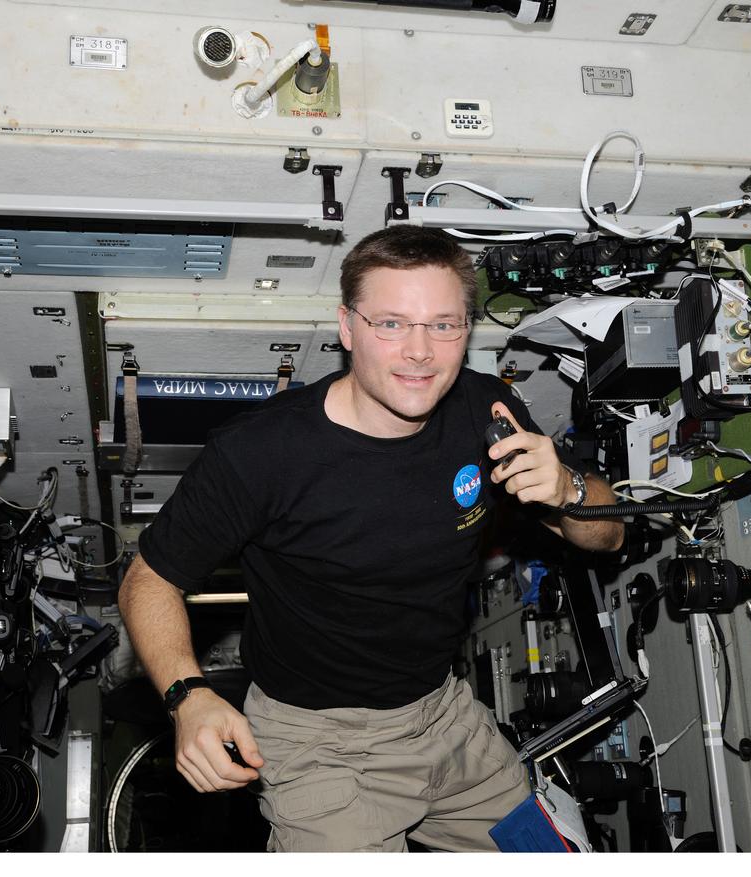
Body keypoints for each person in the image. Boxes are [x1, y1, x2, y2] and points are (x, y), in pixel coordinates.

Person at [118, 226, 623, 851]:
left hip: (447, 720)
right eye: (391, 324)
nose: (420, 352)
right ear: (347, 328)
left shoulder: (487, 409)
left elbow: (607, 536)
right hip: (320, 748)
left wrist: (569, 487)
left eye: (444, 325)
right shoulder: (259, 454)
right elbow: (149, 580)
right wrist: (187, 696)